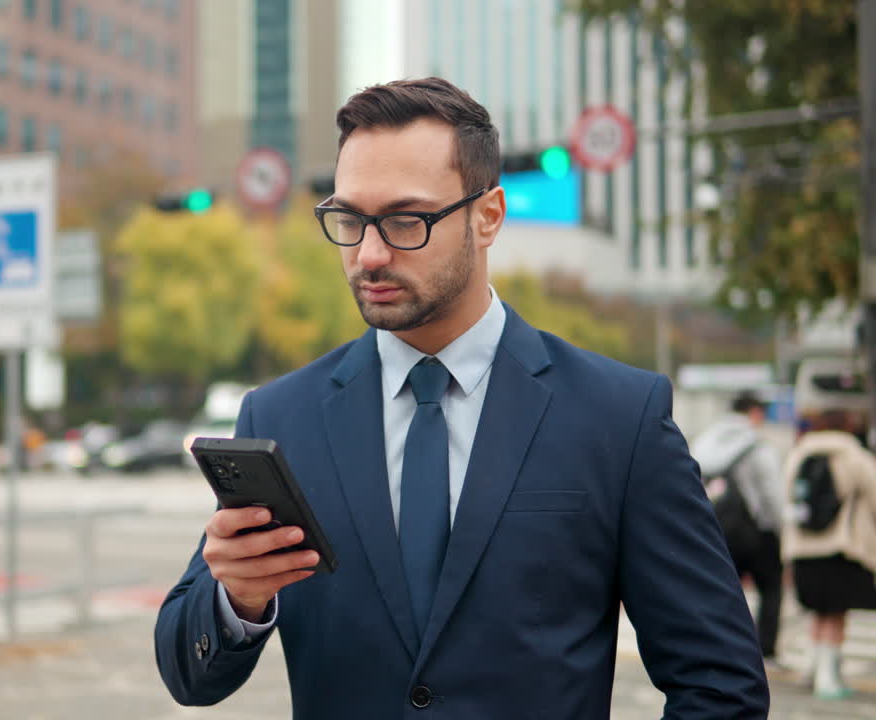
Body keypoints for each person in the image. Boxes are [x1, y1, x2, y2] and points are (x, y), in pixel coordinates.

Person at [154, 78, 768, 718]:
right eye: (350, 220)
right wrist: (237, 598)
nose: (369, 254)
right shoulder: (283, 418)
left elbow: (720, 683)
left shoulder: (619, 417)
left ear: (488, 216)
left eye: (405, 221)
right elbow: (187, 675)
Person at [781, 409, 876, 699]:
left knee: (817, 612)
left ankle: (812, 668)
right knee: (835, 613)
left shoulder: (799, 453)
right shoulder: (854, 455)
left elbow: (787, 495)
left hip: (802, 548)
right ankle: (828, 678)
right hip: (841, 548)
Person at [689, 390, 784, 666]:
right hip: (756, 530)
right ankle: (765, 650)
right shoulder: (757, 445)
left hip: (716, 528)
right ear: (754, 412)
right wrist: (777, 528)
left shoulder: (705, 440)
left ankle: (717, 645)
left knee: (722, 588)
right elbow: (771, 492)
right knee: (771, 589)